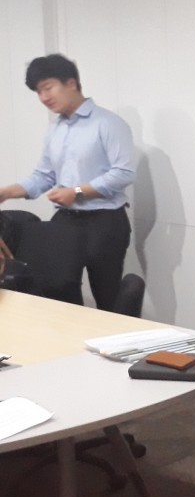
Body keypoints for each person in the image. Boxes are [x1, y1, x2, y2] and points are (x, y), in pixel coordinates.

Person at [0, 54, 134, 310]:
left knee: (107, 298)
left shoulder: (108, 123)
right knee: (55, 293)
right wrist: (7, 192)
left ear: (71, 83)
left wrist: (77, 192)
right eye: (38, 92)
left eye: (48, 88)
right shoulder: (56, 129)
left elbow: (123, 173)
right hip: (65, 221)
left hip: (104, 222)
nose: (43, 97)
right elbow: (44, 176)